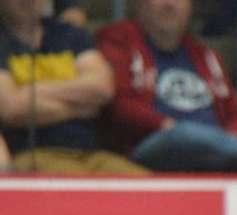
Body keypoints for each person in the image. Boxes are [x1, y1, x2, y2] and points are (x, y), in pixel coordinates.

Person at [96, 0, 237, 173]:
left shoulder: (206, 56)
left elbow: (235, 115)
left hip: (215, 150)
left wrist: (231, 139)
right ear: (140, 6)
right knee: (185, 133)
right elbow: (119, 104)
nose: (170, 5)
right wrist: (165, 125)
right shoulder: (119, 41)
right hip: (153, 146)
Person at [0, 0, 146, 173]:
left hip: (92, 154)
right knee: (84, 191)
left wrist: (31, 91)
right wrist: (81, 107)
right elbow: (12, 108)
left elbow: (103, 87)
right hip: (33, 154)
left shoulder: (69, 34)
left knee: (150, 190)